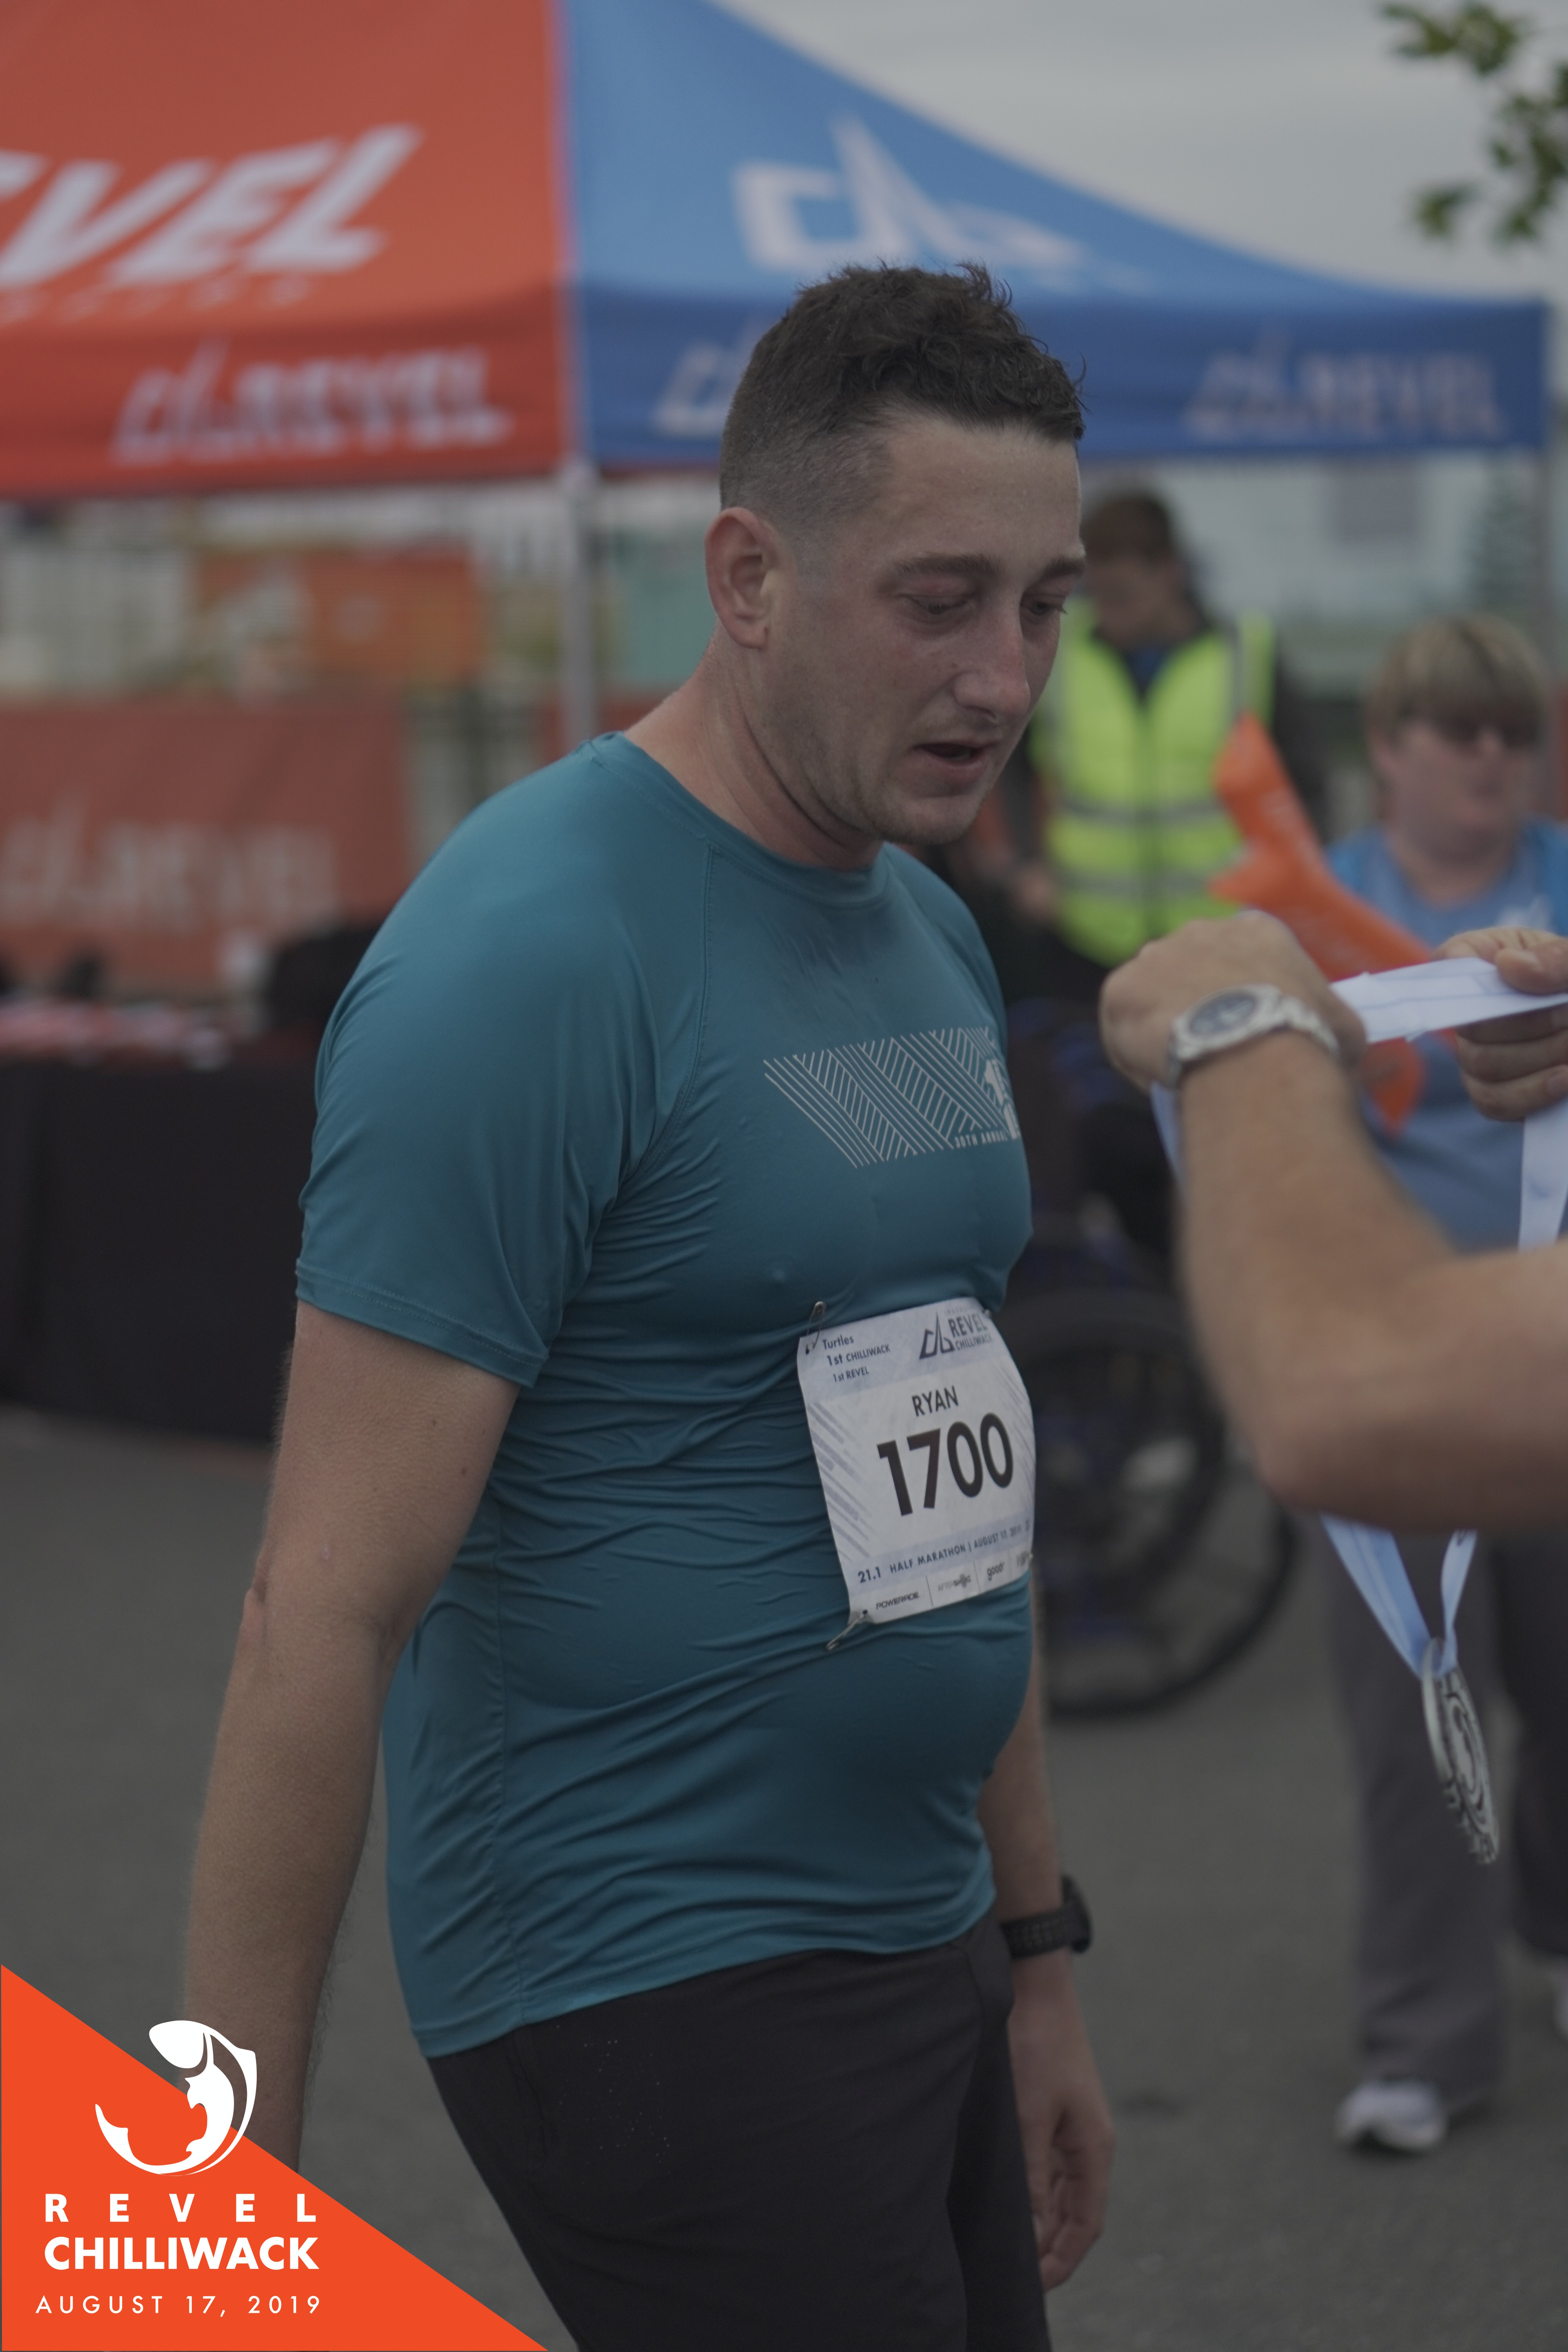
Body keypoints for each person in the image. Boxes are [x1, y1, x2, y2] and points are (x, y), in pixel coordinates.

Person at [183, 263, 1113, 2352]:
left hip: (920, 1934)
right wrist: (213, 2216)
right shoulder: (531, 953)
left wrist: (1037, 1955)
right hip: (649, 1964)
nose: (1004, 676)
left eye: (1043, 605)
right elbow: (315, 1610)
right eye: (941, 600)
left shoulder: (926, 925)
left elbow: (959, 1497)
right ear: (747, 579)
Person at [1310, 617, 1568, 2154]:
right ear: (1388, 746)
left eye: (1512, 729)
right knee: (1420, 1713)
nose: (1490, 754)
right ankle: (1425, 2040)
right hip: (1395, 1377)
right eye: (1457, 727)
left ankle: (1558, 1924)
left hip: (1555, 1361)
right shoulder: (1314, 907)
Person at [1018, 489, 1326, 1000]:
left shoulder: (1246, 651)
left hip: (1223, 936)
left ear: (1170, 572)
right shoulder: (1061, 652)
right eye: (1097, 593)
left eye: (1123, 594)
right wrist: (1024, 863)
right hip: (1088, 941)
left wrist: (1296, 884)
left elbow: (1307, 783)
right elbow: (1013, 769)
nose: (1108, 611)